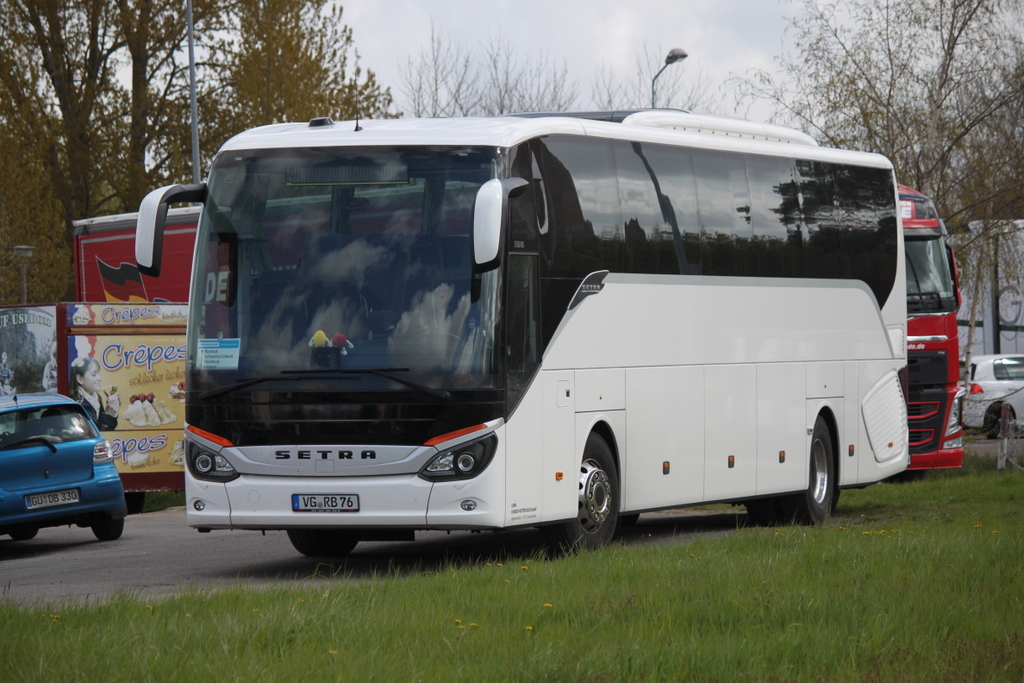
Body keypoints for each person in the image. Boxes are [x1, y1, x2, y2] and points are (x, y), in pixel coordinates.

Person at [70, 356, 119, 431]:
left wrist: (112, 412)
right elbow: (94, 433)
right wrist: (108, 415)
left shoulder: (96, 399)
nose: (99, 378)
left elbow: (109, 430)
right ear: (80, 379)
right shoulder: (76, 405)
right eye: (94, 374)